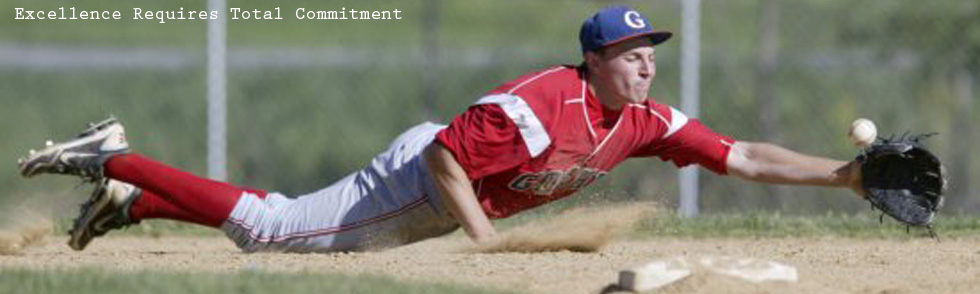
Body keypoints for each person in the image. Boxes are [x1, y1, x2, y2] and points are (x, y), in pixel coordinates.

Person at [17, 5, 862, 252]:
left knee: (279, 216)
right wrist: (486, 239)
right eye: (632, 52)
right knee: (272, 228)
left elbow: (743, 154)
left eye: (650, 52)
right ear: (595, 60)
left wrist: (844, 177)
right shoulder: (540, 107)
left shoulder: (644, 120)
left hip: (435, 176)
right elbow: (453, 156)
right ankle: (117, 155)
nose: (646, 64)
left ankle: (133, 204)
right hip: (420, 183)